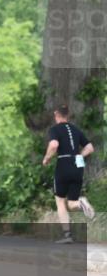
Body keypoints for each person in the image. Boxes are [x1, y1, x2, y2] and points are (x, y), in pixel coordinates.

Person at [42, 104, 96, 244]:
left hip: (63, 164)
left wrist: (47, 158)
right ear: (68, 114)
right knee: (72, 203)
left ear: (56, 114)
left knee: (60, 200)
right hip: (78, 165)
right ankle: (81, 202)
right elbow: (90, 148)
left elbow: (54, 145)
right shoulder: (76, 129)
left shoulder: (54, 129)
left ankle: (67, 235)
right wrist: (79, 155)